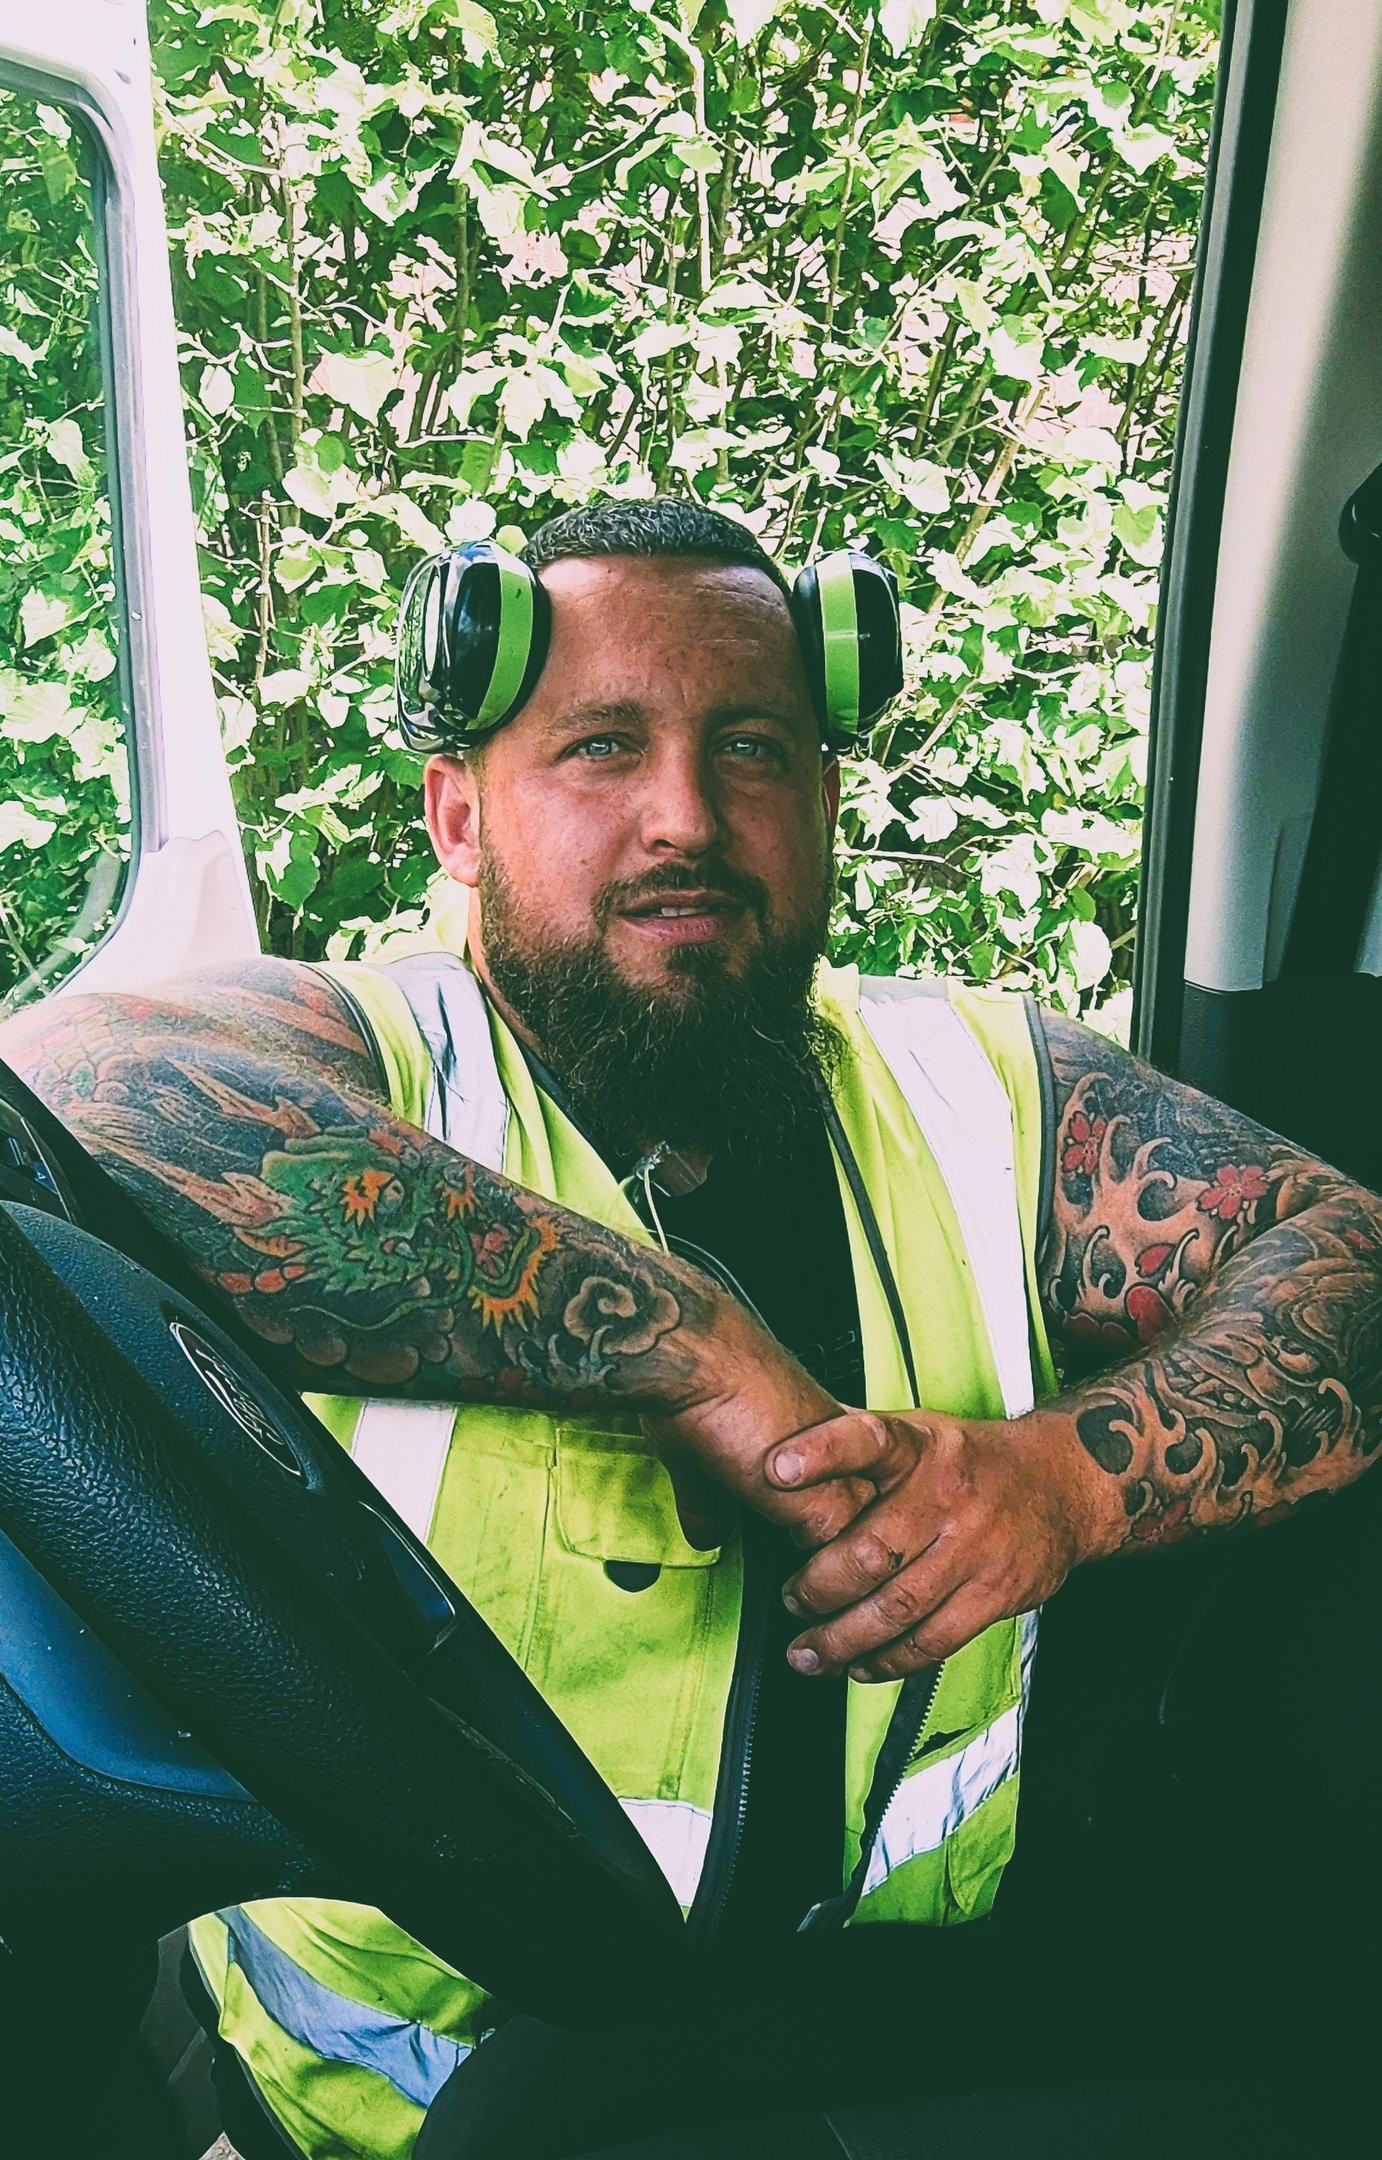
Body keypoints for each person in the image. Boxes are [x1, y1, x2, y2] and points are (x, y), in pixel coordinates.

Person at [4, 498, 1379, 2160]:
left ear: (820, 802)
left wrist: (1070, 1480)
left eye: (751, 750)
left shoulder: (986, 1084)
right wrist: (684, 1347)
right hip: (417, 2114)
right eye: (596, 749)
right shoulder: (368, 1056)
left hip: (878, 2052)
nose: (684, 817)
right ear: (458, 818)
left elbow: (1341, 1255)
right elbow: (71, 1089)